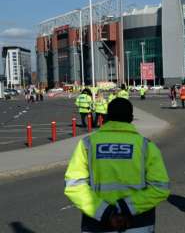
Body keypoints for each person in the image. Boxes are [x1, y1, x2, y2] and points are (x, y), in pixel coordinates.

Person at [64, 98, 170, 232]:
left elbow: (74, 185)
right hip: (137, 224)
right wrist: (127, 207)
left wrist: (106, 213)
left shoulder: (87, 144)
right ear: (131, 118)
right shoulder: (146, 146)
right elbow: (160, 188)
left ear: (107, 117)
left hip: (97, 224)